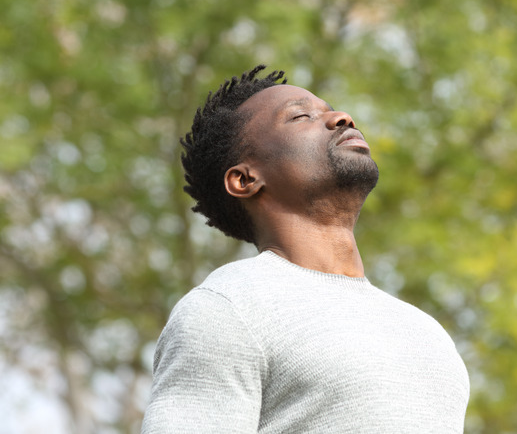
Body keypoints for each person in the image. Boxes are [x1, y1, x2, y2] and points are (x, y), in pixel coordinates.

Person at [141, 65, 470, 433]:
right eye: (301, 116)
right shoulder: (227, 308)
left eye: (332, 109)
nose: (341, 118)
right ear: (245, 179)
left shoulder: (424, 331)